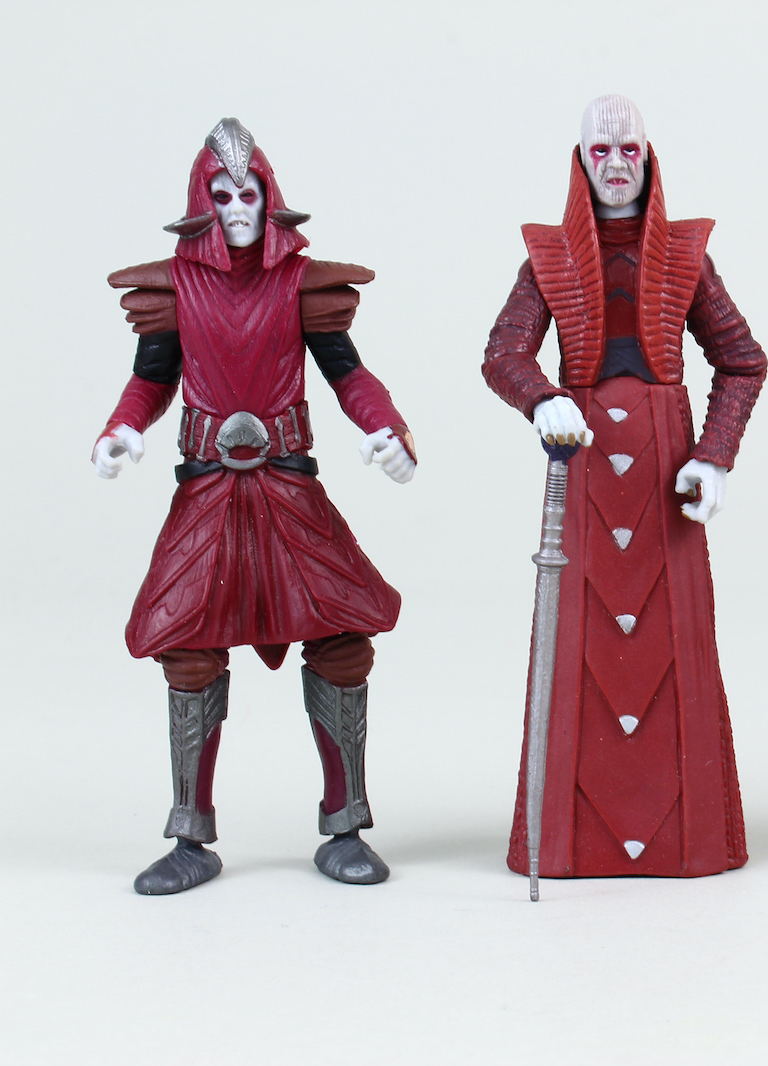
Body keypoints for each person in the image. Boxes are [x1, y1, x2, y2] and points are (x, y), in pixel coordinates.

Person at [93, 118, 416, 894]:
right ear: (200, 202)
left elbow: (347, 373)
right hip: (209, 488)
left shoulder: (300, 284)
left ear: (270, 199)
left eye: (249, 194)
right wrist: (122, 429)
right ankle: (190, 837)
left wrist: (385, 427)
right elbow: (151, 378)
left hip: (286, 482)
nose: (237, 208)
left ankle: (346, 824)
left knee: (341, 633)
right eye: (223, 194)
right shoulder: (175, 287)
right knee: (187, 645)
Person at [483, 95, 767, 877]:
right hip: (581, 465)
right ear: (580, 161)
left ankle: (692, 838)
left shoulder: (685, 255)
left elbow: (742, 361)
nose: (615, 164)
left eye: (628, 150)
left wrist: (713, 455)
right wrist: (543, 399)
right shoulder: (548, 257)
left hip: (666, 465)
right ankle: (564, 844)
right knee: (578, 637)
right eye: (600, 151)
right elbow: (504, 354)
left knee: (674, 640)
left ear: (649, 157)